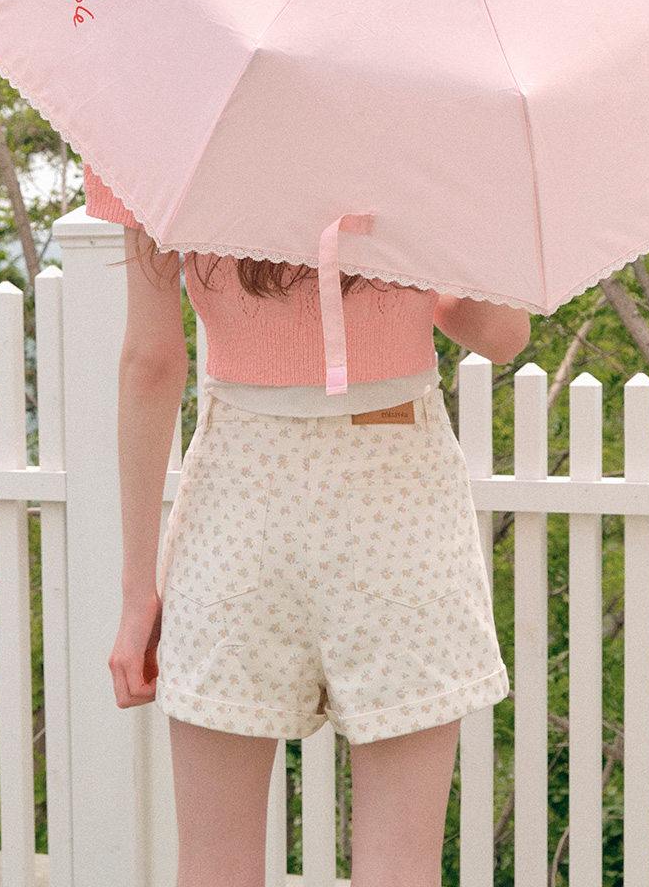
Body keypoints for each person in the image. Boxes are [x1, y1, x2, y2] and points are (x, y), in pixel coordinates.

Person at [89, 165, 530, 887]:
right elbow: (503, 333)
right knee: (400, 867)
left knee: (213, 866)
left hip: (242, 500)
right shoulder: (424, 118)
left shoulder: (161, 121)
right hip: (398, 499)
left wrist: (140, 593)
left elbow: (151, 362)